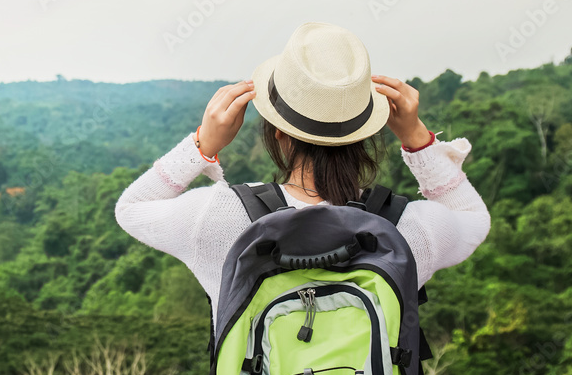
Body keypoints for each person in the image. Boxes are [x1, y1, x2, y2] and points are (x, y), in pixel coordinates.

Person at [114, 22, 491, 329]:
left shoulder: (215, 217)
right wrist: (419, 141)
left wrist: (203, 144)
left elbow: (131, 208)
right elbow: (473, 218)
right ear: (365, 133)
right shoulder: (410, 229)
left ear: (278, 132)